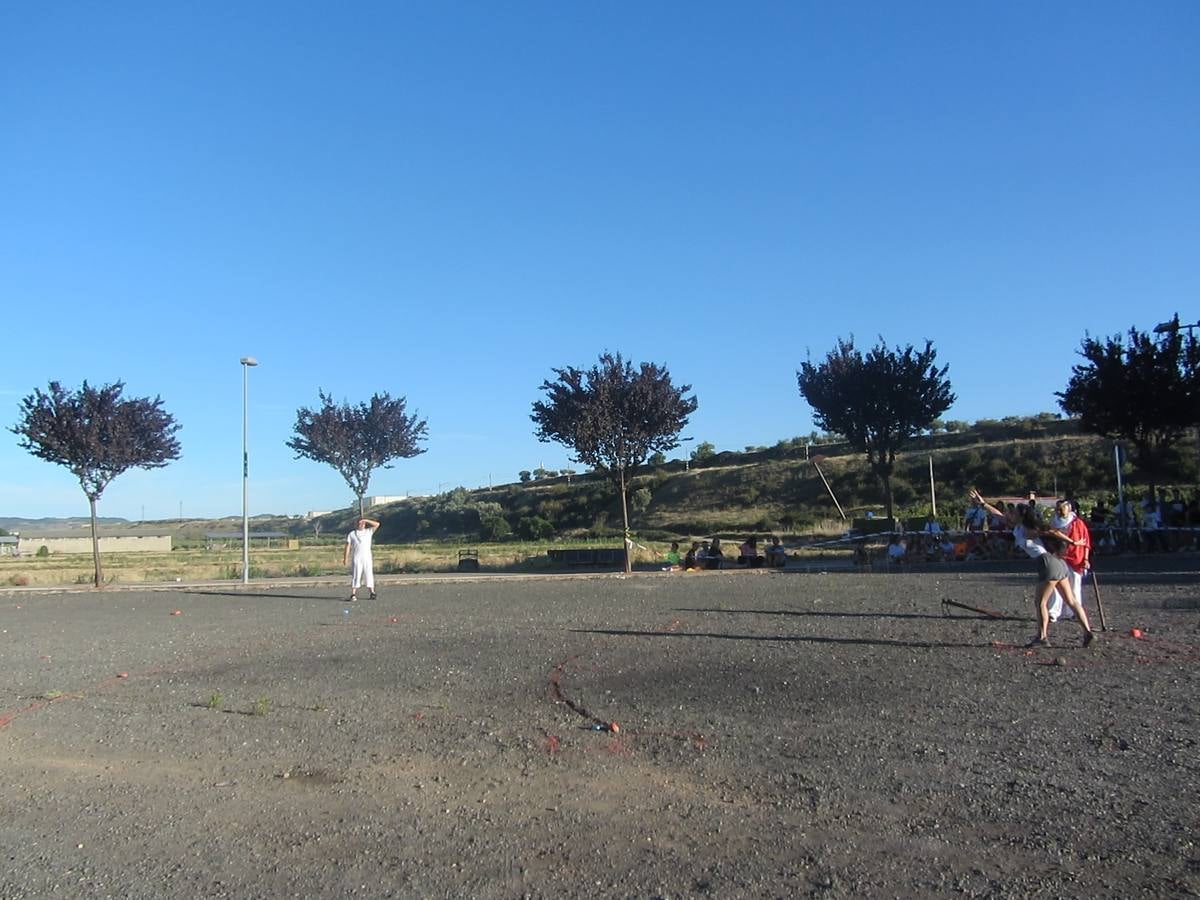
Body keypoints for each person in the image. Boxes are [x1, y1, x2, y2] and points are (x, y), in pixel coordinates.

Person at [970, 490, 1095, 647]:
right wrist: (983, 504)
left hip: (1047, 563)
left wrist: (1073, 542)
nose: (1010, 514)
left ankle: (1042, 638)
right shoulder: (1019, 527)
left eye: (1014, 513)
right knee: (1071, 601)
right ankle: (1087, 632)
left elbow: (1052, 531)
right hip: (1058, 563)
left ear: (1021, 516)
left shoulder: (1029, 530)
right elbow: (998, 516)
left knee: (1040, 603)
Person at [1048, 499, 1091, 623]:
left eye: (1062, 508)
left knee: (1074, 586)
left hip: (1076, 558)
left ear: (1069, 509)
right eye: (1058, 508)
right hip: (1059, 556)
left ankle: (1073, 612)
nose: (1059, 511)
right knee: (1055, 585)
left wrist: (1086, 559)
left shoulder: (1078, 523)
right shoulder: (1053, 523)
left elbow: (1086, 543)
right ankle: (1053, 612)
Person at [343, 517, 380, 601]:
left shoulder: (368, 531)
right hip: (357, 557)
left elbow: (377, 524)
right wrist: (345, 558)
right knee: (356, 574)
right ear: (356, 524)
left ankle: (372, 592)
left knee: (368, 574)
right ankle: (353, 593)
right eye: (360, 523)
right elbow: (348, 546)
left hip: (367, 557)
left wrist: (366, 520)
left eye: (363, 523)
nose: (361, 525)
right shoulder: (352, 534)